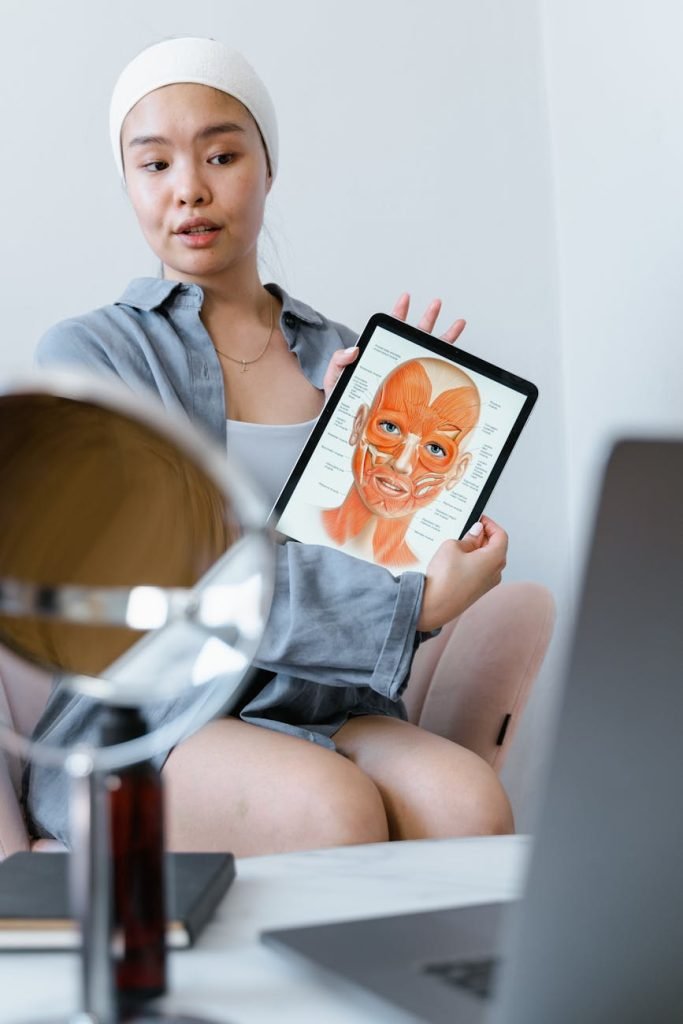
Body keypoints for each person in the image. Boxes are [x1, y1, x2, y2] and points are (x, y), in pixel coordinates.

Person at [26, 36, 513, 854]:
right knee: (329, 809)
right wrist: (410, 607)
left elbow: (380, 565)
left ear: (267, 168)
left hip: (319, 700)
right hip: (152, 715)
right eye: (154, 164)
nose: (189, 188)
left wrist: (430, 534)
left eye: (221, 155)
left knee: (470, 805)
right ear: (128, 184)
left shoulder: (347, 356)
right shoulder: (88, 356)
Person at [322, 356, 481, 568]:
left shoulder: (432, 576)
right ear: (359, 424)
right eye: (390, 427)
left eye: (435, 448)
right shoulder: (290, 522)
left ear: (458, 471)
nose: (402, 464)